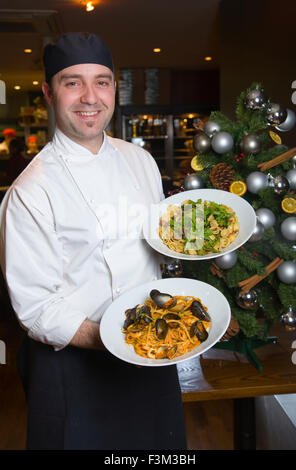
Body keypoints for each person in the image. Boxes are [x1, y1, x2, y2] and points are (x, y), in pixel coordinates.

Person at [0, 32, 187, 450]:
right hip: (74, 369)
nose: (90, 97)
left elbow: (155, 245)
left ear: (114, 89)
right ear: (49, 93)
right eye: (72, 83)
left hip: (152, 347)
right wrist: (116, 338)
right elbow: (36, 309)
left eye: (101, 81)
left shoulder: (140, 159)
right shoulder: (30, 191)